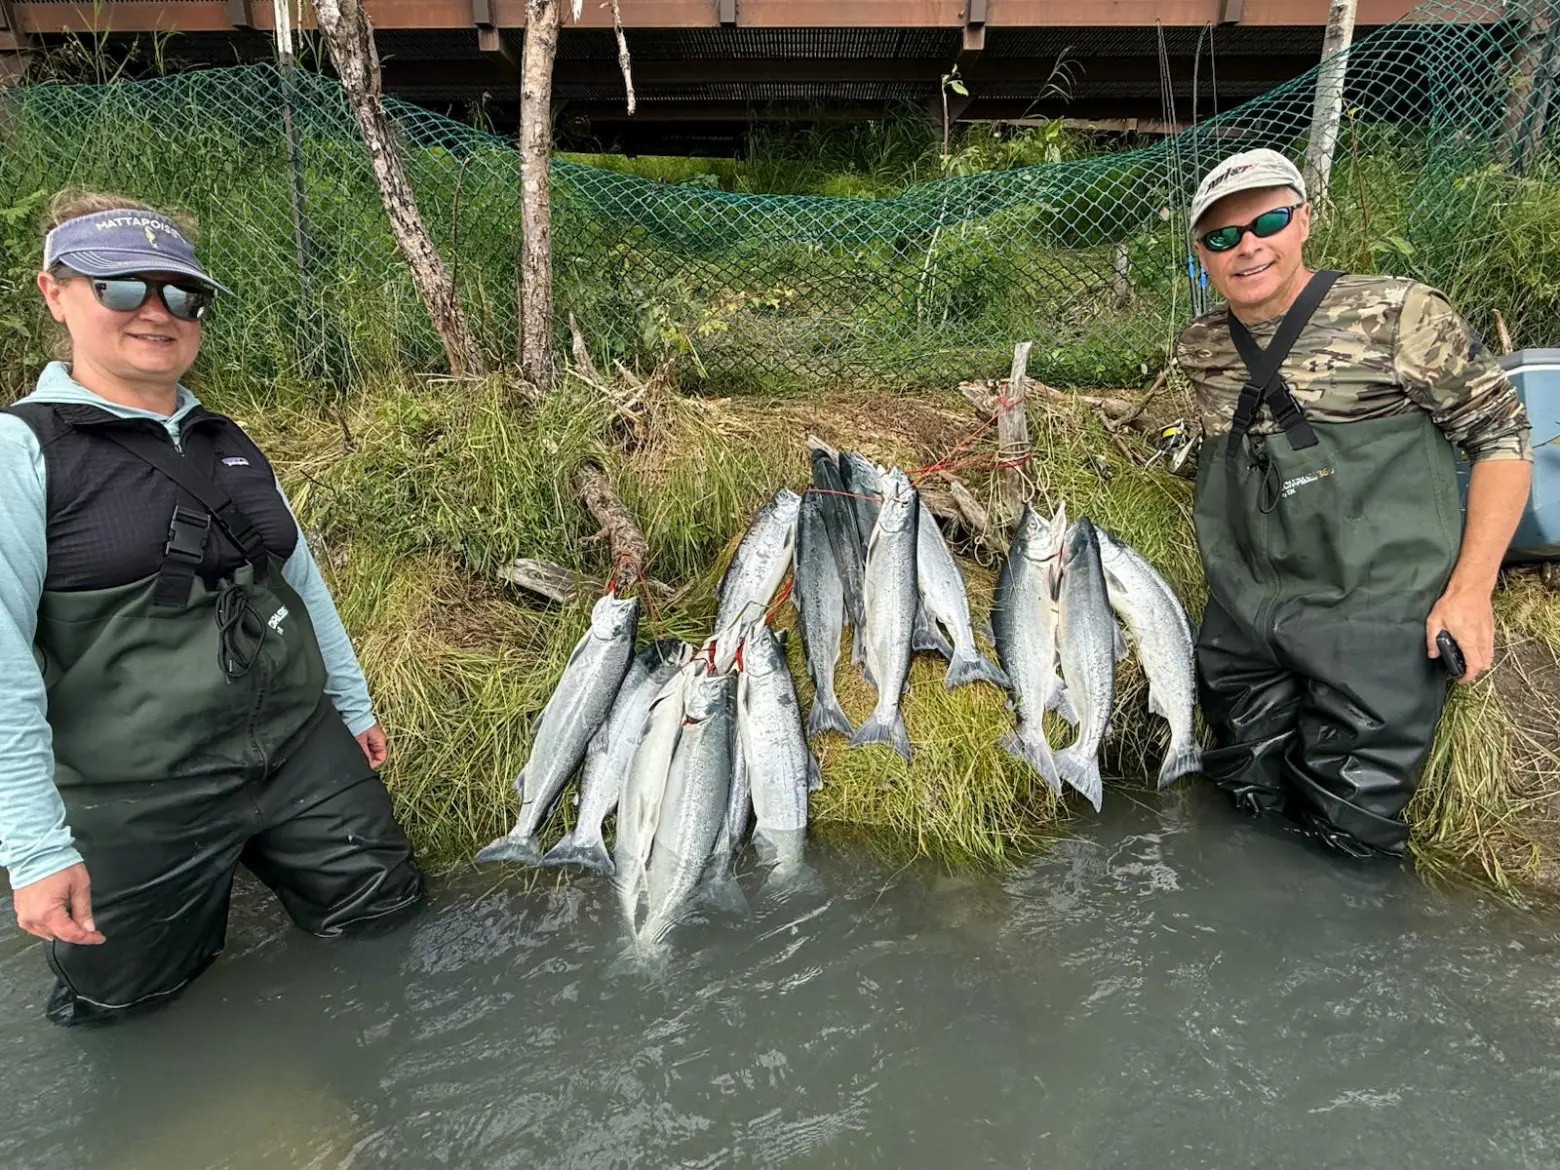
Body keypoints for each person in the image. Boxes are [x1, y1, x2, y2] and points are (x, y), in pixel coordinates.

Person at [0, 191, 426, 1025]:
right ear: (56, 293)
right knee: (130, 1011)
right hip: (136, 791)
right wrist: (37, 848)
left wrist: (351, 702)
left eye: (182, 294)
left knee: (389, 925)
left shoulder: (224, 440)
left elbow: (300, 584)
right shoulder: (23, 454)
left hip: (301, 751)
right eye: (121, 288)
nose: (157, 312)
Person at [1176, 149, 1533, 859]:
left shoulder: (1399, 312)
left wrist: (1470, 593)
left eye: (1267, 221)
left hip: (1376, 612)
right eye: (1222, 237)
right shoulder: (1201, 347)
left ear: (1304, 220)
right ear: (1202, 256)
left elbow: (1504, 441)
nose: (1247, 247)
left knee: (1348, 836)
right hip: (1249, 614)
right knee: (1244, 804)